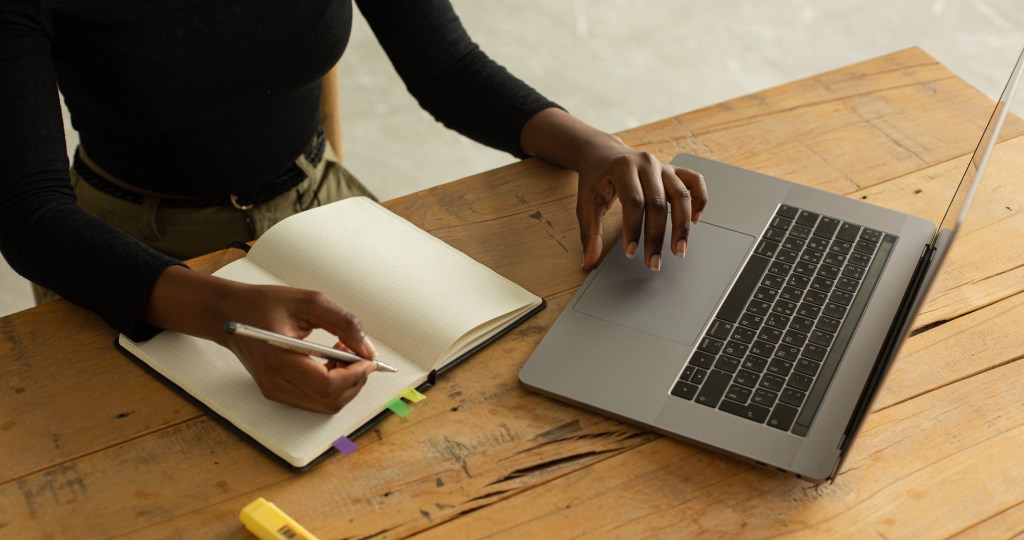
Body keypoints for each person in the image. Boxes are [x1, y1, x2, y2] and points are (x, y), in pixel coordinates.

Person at [0, 0, 707, 413]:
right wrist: (222, 313)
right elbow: (30, 214)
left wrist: (593, 147)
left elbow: (447, 67)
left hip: (319, 205)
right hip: (127, 249)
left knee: (452, 395)